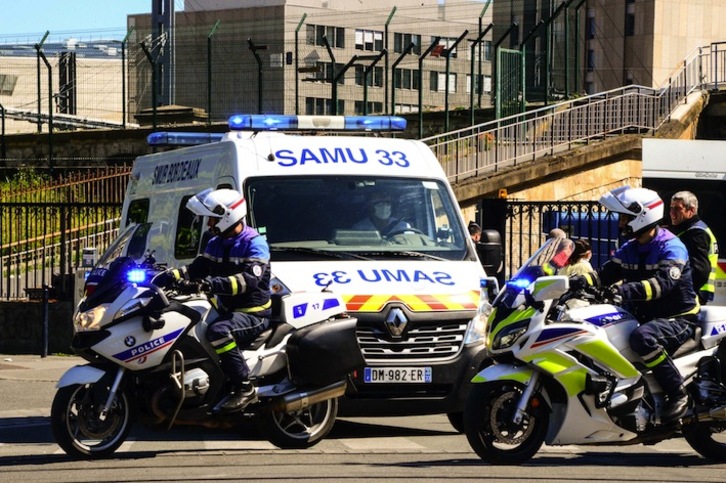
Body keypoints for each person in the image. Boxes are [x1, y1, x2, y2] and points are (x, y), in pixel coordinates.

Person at [570, 186, 700, 422]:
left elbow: (662, 285)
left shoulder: (671, 246)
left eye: (625, 218)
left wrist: (622, 291)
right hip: (644, 315)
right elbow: (604, 274)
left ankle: (677, 393)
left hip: (678, 318)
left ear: (643, 216)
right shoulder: (630, 248)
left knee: (642, 338)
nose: (621, 223)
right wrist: (575, 283)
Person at [159, 188, 271, 412]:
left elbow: (248, 280)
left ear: (227, 216)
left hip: (253, 313)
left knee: (218, 332)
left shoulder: (255, 243)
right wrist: (171, 275)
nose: (209, 224)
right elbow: (198, 268)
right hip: (226, 309)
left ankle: (244, 387)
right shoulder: (216, 242)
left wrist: (210, 284)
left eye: (212, 219)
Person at [669, 191, 719, 305]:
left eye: (677, 209)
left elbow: (700, 269)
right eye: (671, 208)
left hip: (694, 293)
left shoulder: (696, 233)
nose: (672, 213)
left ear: (691, 210)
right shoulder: (690, 230)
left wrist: (684, 290)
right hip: (694, 292)